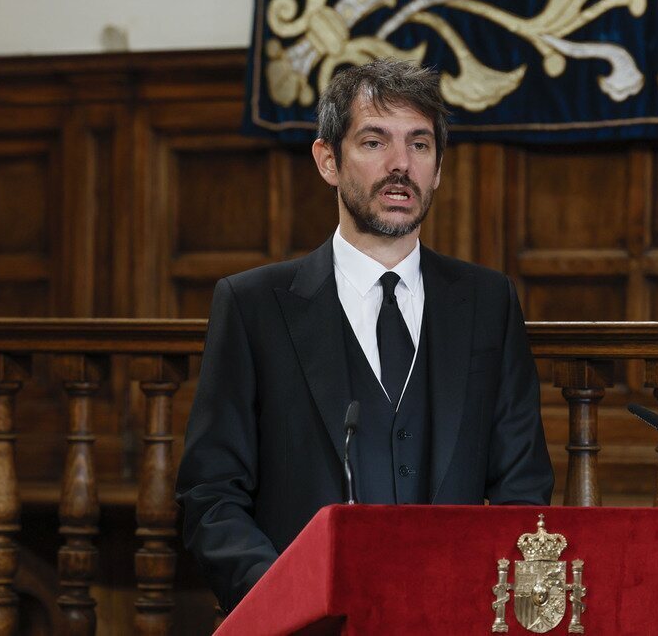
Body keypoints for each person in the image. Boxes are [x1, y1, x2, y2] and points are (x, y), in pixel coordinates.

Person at [176, 59, 554, 612]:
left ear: (439, 169)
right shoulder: (252, 306)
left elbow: (523, 489)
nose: (401, 165)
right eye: (375, 142)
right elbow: (211, 497)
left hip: (453, 617)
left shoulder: (489, 302)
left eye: (420, 145)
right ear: (328, 160)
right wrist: (290, 598)